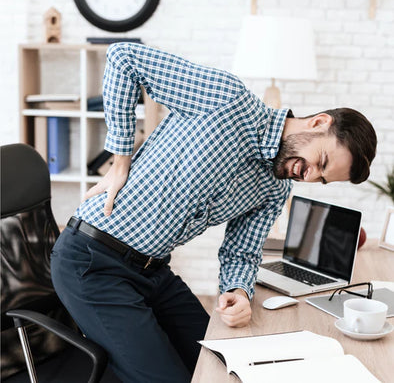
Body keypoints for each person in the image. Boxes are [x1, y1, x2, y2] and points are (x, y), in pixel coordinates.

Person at [51, 43, 377, 382]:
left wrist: (238, 291)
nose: (309, 175)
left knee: (227, 367)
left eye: (322, 178)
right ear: (319, 122)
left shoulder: (275, 187)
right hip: (92, 261)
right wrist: (121, 160)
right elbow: (123, 58)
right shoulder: (227, 100)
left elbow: (242, 252)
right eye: (320, 162)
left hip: (154, 272)